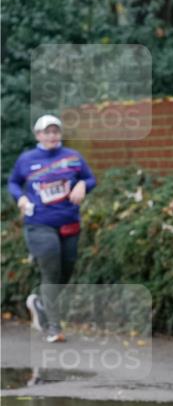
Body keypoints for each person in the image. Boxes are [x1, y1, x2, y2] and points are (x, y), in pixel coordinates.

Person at [8, 115, 96, 342]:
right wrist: (20, 198)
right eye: (47, 132)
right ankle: (53, 328)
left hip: (69, 222)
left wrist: (82, 185)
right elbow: (14, 182)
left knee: (65, 271)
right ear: (38, 135)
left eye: (56, 132)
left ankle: (38, 301)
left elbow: (89, 178)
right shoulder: (28, 159)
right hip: (39, 223)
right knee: (51, 268)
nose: (52, 136)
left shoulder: (73, 157)